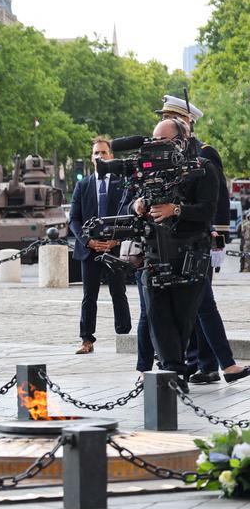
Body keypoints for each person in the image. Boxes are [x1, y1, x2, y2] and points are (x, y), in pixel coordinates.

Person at [150, 96, 250, 385]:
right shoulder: (161, 155)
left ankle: (212, 363)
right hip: (167, 241)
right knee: (197, 305)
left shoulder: (204, 154)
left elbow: (216, 199)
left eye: (175, 118)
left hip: (196, 238)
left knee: (202, 303)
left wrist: (217, 235)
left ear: (187, 122)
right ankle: (204, 362)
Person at [132, 118, 217, 392]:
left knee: (182, 318)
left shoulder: (204, 170)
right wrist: (139, 204)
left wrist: (175, 209)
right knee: (156, 315)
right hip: (155, 255)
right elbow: (137, 198)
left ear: (181, 139)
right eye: (154, 140)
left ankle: (177, 372)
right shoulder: (150, 171)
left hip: (189, 256)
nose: (156, 146)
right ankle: (171, 372)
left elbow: (207, 211)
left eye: (163, 140)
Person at [68, 135, 132, 355]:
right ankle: (87, 340)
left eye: (104, 152)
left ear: (111, 156)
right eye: (96, 153)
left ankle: (125, 337)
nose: (100, 156)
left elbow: (127, 213)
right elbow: (73, 219)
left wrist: (117, 239)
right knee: (89, 296)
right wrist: (88, 241)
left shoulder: (120, 183)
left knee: (118, 292)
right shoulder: (83, 185)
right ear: (91, 158)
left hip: (114, 247)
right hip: (90, 250)